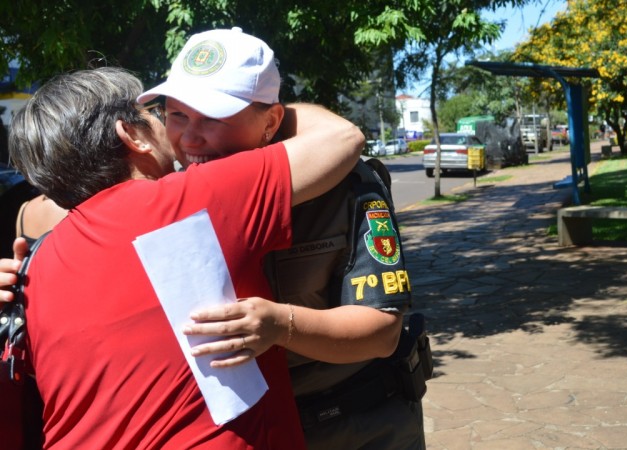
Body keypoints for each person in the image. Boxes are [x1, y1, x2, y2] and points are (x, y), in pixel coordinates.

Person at [6, 64, 364, 448]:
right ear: (132, 135)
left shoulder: (33, 266)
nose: (167, 124)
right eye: (154, 113)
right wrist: (267, 113)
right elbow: (341, 137)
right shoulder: (188, 199)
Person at [136, 27, 425, 449]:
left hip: (357, 424)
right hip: (246, 430)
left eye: (213, 118)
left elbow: (382, 332)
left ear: (270, 122)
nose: (190, 138)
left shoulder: (345, 186)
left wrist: (279, 325)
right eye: (177, 116)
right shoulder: (168, 196)